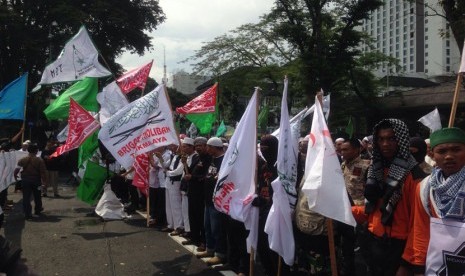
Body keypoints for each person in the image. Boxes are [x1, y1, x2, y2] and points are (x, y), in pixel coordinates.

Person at [351, 118, 426, 275]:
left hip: (400, 248)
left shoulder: (415, 176)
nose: (385, 144)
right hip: (373, 243)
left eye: (391, 138)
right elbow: (373, 210)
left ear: (402, 140)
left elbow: (418, 224)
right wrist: (345, 210)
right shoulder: (375, 171)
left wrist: (406, 264)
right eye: (381, 139)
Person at [401, 127, 465, 275]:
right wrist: (418, 268)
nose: (449, 156)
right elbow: (421, 231)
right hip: (440, 266)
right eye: (442, 152)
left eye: (456, 150)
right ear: (432, 154)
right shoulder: (425, 187)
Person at [339, 138, 370, 275]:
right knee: (347, 246)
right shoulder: (342, 165)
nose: (342, 152)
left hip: (360, 213)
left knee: (365, 248)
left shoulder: (367, 166)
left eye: (346, 149)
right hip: (344, 211)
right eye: (341, 149)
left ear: (357, 149)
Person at [196, 137, 227, 266]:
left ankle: (220, 254)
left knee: (217, 229)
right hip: (208, 200)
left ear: (215, 147)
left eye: (208, 147)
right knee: (208, 227)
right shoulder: (212, 159)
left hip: (217, 202)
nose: (207, 149)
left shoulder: (224, 160)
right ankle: (210, 249)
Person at [184, 137, 209, 249]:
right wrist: (185, 164)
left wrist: (192, 177)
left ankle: (203, 241)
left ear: (206, 146)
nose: (198, 147)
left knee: (200, 218)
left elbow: (205, 176)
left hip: (201, 193)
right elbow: (189, 171)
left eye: (201, 145)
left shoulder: (209, 159)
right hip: (192, 192)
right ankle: (194, 238)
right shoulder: (197, 158)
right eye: (197, 145)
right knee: (192, 216)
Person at [14, 143, 47, 220]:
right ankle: (37, 210)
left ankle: (27, 214)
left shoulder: (22, 160)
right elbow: (43, 173)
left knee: (26, 197)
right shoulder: (40, 161)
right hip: (36, 181)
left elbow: (16, 170)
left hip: (25, 181)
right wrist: (44, 183)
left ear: (28, 151)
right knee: (37, 196)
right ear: (36, 151)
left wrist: (15, 177)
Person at [179, 137, 199, 240]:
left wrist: (185, 164)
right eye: (182, 147)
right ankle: (188, 230)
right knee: (185, 210)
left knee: (188, 211)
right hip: (185, 186)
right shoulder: (187, 157)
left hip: (191, 188)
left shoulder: (196, 157)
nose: (183, 149)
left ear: (192, 147)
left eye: (185, 147)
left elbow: (191, 172)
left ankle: (190, 231)